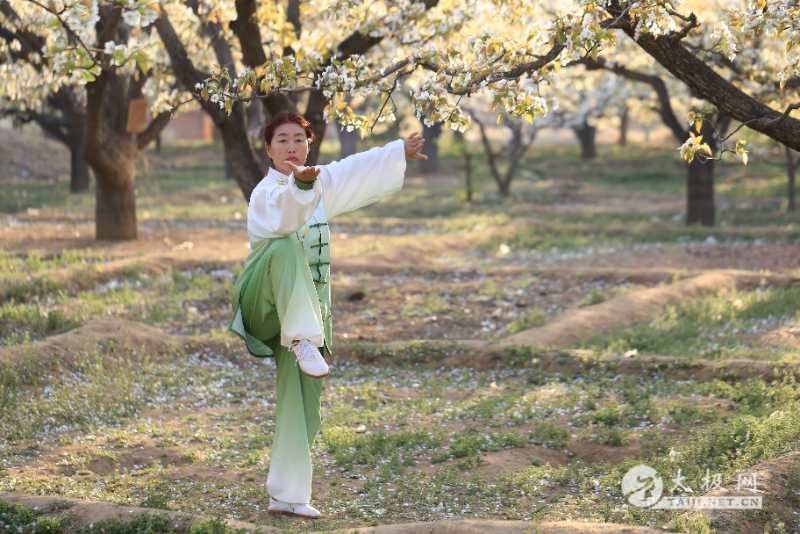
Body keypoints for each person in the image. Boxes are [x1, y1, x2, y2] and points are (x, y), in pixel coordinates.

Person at [228, 111, 427, 518]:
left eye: (299, 140)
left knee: (302, 399)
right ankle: (302, 337)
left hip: (305, 313)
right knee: (285, 244)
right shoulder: (264, 192)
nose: (291, 147)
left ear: (309, 145)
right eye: (282, 140)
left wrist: (397, 152)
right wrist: (301, 185)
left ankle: (287, 495)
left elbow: (352, 170)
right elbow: (286, 213)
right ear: (267, 149)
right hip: (263, 303)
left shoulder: (317, 182)